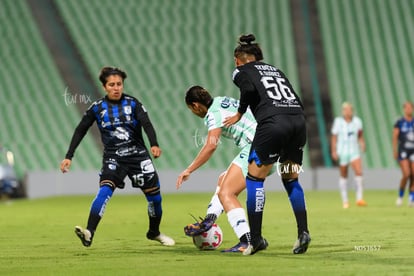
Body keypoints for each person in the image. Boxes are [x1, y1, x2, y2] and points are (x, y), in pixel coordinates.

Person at [60, 67, 174, 247]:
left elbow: (146, 123)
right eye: (111, 85)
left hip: (138, 157)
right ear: (104, 87)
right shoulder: (97, 108)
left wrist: (154, 143)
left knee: (155, 199)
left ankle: (154, 232)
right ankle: (90, 232)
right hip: (114, 158)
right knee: (104, 190)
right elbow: (80, 129)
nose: (116, 88)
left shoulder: (133, 103)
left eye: (119, 84)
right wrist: (69, 156)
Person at [223, 34, 310, 255]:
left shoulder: (241, 71)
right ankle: (303, 232)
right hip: (298, 122)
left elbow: (249, 90)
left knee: (254, 179)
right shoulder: (276, 70)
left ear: (238, 59)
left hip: (273, 125)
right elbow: (295, 99)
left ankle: (256, 239)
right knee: (291, 178)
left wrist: (240, 113)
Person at [331, 102, 367, 208]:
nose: (348, 112)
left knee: (359, 172)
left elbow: (360, 135)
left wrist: (362, 143)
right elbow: (334, 137)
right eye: (346, 110)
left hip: (354, 150)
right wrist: (333, 150)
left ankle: (359, 198)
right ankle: (345, 200)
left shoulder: (357, 121)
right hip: (342, 151)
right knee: (343, 175)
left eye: (350, 110)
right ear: (343, 111)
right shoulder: (338, 122)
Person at [393, 101, 414, 207]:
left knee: (413, 174)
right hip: (403, 151)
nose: (409, 109)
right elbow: (395, 137)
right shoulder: (400, 122)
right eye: (407, 108)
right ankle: (400, 196)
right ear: (404, 109)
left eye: (410, 107)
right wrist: (395, 150)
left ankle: (411, 198)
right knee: (406, 174)